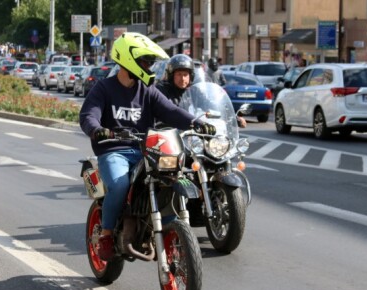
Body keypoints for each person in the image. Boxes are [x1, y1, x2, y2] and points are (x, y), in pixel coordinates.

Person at [79, 32, 216, 261]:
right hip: (114, 150)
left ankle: (168, 227)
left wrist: (196, 123)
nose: (149, 67)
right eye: (145, 62)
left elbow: (171, 111)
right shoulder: (104, 89)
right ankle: (106, 234)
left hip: (145, 150)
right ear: (127, 59)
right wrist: (96, 129)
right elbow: (88, 114)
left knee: (171, 177)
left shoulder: (148, 90)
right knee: (120, 185)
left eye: (150, 62)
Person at [157, 54, 246, 127]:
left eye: (185, 75)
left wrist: (234, 118)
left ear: (190, 76)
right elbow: (172, 110)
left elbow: (208, 104)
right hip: (167, 133)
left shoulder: (193, 92)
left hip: (189, 133)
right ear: (172, 75)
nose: (183, 78)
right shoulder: (162, 90)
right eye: (179, 74)